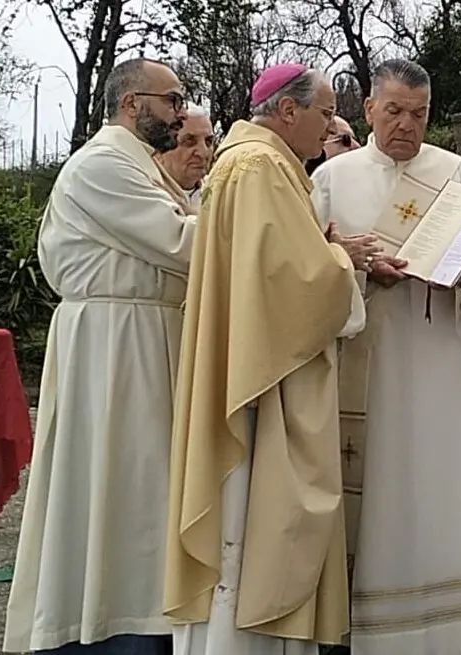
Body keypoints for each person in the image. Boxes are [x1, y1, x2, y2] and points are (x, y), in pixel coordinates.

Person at [163, 63, 379, 655]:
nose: (332, 123)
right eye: (327, 110)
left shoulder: (253, 160)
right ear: (288, 111)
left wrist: (323, 250)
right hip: (263, 381)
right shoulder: (259, 166)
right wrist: (344, 260)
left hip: (252, 359)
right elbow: (293, 280)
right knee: (254, 515)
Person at [310, 58, 461, 654]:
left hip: (436, 362)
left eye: (419, 113)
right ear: (368, 109)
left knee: (435, 480)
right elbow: (307, 261)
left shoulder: (457, 173)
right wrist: (359, 269)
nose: (406, 124)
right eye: (394, 110)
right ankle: (363, 623)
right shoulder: (332, 177)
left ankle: (443, 627)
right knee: (374, 487)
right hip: (365, 359)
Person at [3, 57, 194, 655]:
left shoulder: (138, 165)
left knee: (143, 482)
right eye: (172, 100)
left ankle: (143, 617)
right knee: (118, 479)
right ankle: (106, 626)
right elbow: (182, 242)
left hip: (145, 334)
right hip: (114, 342)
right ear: (134, 103)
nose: (180, 112)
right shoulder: (104, 163)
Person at [154, 105, 215, 210]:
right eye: (189, 141)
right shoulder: (143, 195)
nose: (203, 152)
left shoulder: (220, 194)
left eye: (208, 142)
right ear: (158, 150)